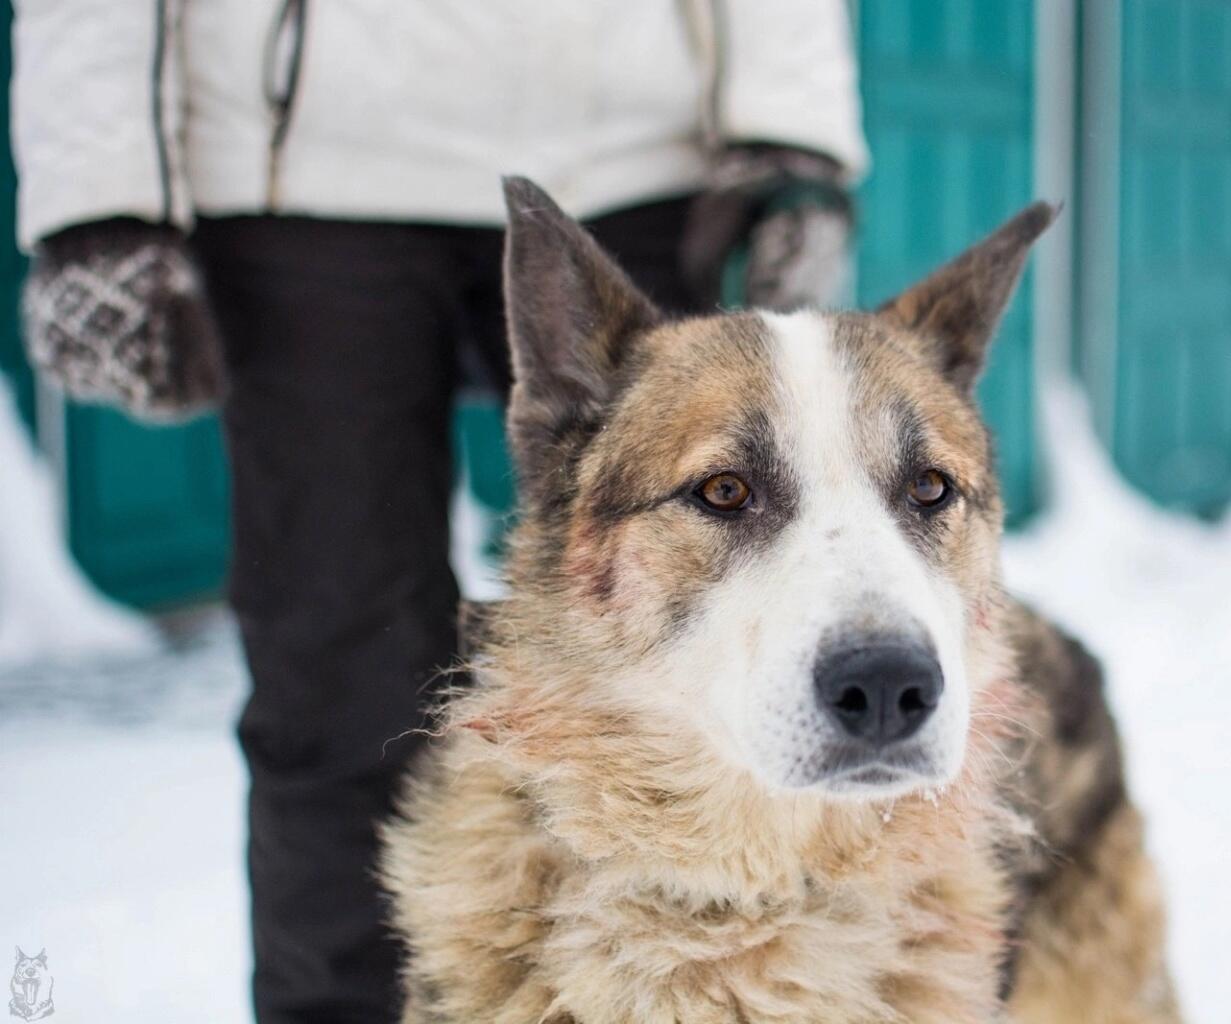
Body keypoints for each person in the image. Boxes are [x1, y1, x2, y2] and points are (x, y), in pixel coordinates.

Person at [9, 2, 867, 1020]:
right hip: (306, 177)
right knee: (340, 684)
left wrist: (793, 127)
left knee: (681, 701)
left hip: (629, 152)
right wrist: (96, 195)